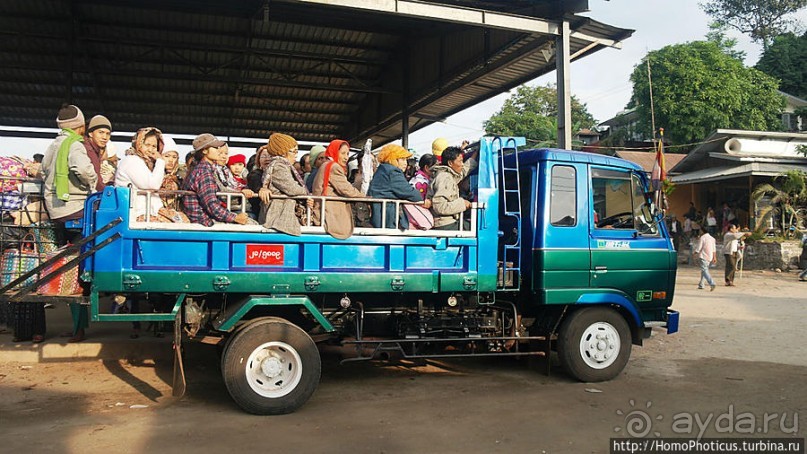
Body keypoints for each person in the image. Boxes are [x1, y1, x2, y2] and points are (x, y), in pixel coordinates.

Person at [41, 104, 98, 223]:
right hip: (74, 207)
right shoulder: (75, 145)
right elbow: (84, 171)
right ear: (81, 126)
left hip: (53, 207)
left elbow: (43, 171)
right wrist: (92, 182)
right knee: (109, 212)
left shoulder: (54, 145)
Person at [182, 133, 252, 226]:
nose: (219, 151)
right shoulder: (204, 171)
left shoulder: (200, 168)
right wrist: (235, 217)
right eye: (215, 148)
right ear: (205, 151)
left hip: (202, 220)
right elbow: (211, 205)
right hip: (205, 222)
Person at [259, 133, 313, 236]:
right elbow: (292, 189)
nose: (296, 155)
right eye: (294, 151)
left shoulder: (281, 165)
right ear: (283, 152)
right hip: (278, 219)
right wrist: (306, 192)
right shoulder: (279, 166)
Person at [312, 140, 366, 239]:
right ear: (334, 152)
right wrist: (366, 198)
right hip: (330, 215)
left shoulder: (326, 165)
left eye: (348, 154)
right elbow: (347, 190)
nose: (346, 157)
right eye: (343, 153)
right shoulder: (334, 166)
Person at [368, 144, 431, 230]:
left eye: (406, 159)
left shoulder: (383, 169)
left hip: (379, 213)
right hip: (387, 216)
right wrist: (423, 200)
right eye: (402, 159)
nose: (405, 163)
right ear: (393, 159)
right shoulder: (392, 172)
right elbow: (411, 193)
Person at [114, 127, 166, 221]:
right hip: (136, 214)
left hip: (149, 211)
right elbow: (153, 185)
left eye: (154, 146)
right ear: (139, 144)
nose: (150, 149)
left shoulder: (148, 163)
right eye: (147, 145)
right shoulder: (132, 161)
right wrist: (160, 161)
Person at [427, 146, 477, 230]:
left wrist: (475, 155)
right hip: (444, 224)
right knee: (479, 228)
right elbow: (440, 207)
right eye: (460, 161)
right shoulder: (445, 178)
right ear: (450, 163)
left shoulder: (448, 174)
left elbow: (463, 171)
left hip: (448, 222)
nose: (462, 164)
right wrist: (463, 203)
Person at [83, 115, 112, 193]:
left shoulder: (94, 149)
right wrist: (109, 192)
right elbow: (97, 181)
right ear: (90, 133)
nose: (105, 137)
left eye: (108, 134)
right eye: (101, 132)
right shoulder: (88, 150)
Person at [159, 136, 182, 211]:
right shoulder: (151, 175)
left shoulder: (179, 179)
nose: (171, 160)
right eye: (167, 156)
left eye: (174, 157)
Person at [247, 145, 270, 220]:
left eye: (270, 156)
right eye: (263, 156)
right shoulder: (255, 174)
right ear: (258, 159)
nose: (267, 159)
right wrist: (261, 189)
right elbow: (256, 185)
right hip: (259, 210)